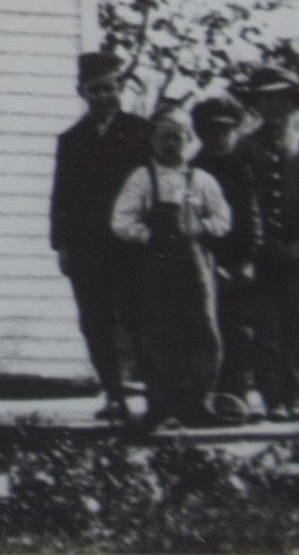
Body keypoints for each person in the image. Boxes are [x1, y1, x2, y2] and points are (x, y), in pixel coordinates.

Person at [111, 107, 236, 431]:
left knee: (203, 330)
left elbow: (224, 218)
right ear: (153, 139)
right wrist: (148, 235)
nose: (171, 144)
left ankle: (199, 402)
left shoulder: (201, 180)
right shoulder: (142, 178)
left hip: (196, 265)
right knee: (158, 331)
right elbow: (121, 220)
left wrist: (204, 227)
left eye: (178, 137)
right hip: (156, 264)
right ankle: (161, 404)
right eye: (164, 136)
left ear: (188, 140)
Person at [50, 51, 155, 423]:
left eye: (109, 88)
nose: (103, 97)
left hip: (131, 247)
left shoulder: (142, 132)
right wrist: (61, 245)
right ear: (82, 92)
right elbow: (61, 195)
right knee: (96, 321)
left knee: (139, 319)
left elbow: (156, 188)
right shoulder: (72, 140)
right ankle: (114, 395)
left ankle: (155, 399)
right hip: (87, 249)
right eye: (95, 90)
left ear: (120, 89)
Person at [244, 69, 299, 419]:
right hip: (262, 249)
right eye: (267, 100)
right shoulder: (245, 146)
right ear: (258, 106)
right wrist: (258, 242)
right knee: (267, 326)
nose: (275, 108)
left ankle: (297, 396)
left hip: (297, 251)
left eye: (282, 100)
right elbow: (243, 196)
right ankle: (273, 398)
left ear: (293, 105)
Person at [192, 95, 261, 419]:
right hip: (206, 264)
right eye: (212, 132)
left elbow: (253, 217)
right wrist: (211, 264)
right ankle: (210, 394)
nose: (220, 138)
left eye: (227, 131)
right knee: (208, 329)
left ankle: (238, 394)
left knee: (243, 331)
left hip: (241, 261)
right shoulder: (193, 170)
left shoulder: (245, 167)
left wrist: (247, 260)